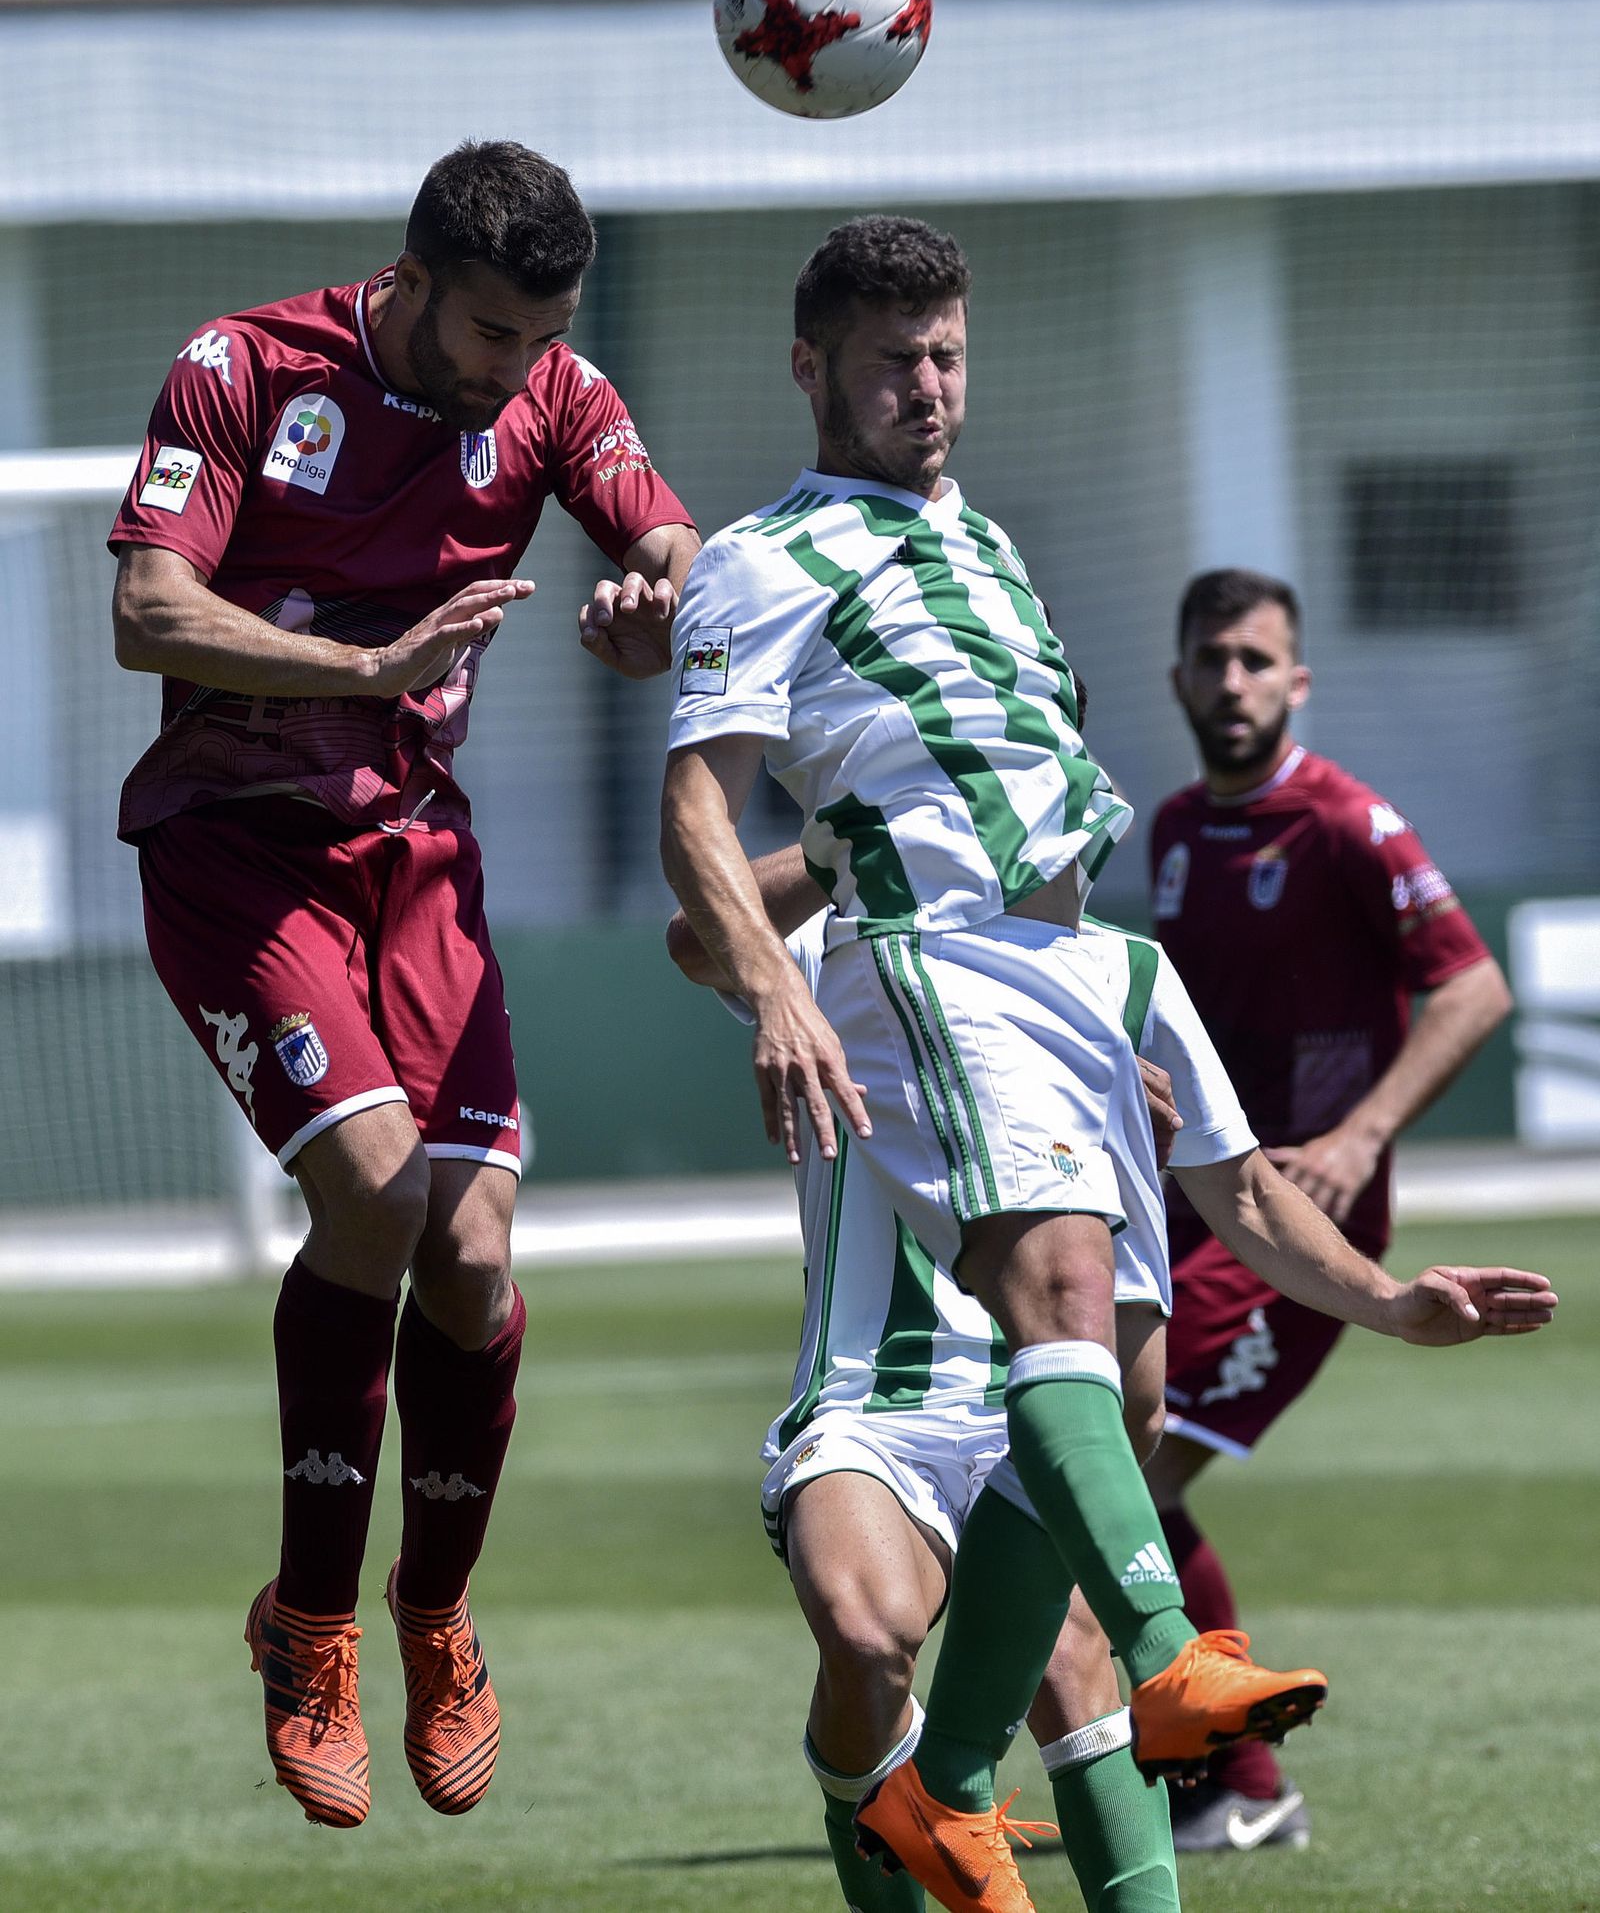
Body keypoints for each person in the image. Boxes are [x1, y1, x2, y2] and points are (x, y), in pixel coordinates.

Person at [657, 214, 1334, 1913]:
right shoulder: (767, 556)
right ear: (811, 368)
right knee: (889, 1628)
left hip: (1062, 999)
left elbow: (959, 802)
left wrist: (1083, 1022)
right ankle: (1061, 1716)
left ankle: (957, 1785)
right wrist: (781, 986)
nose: (929, 388)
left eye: (947, 353)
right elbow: (700, 836)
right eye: (892, 359)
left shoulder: (991, 548)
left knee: (1112, 1480)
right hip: (955, 1026)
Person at [108, 140, 700, 1829]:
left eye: (542, 336)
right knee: (374, 1195)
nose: (515, 367)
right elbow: (150, 609)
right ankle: (306, 1622)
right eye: (491, 331)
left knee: (476, 1246)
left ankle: (433, 1609)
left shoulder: (555, 391)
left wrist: (657, 594)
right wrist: (373, 665)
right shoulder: (244, 369)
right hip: (238, 846)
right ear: (414, 279)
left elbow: (665, 528)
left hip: (415, 861)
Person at [669, 843, 1556, 1913]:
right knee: (867, 1645)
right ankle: (949, 1785)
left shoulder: (1126, 973)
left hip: (1048, 1391)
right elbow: (695, 942)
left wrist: (1390, 1304)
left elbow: (1248, 1193)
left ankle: (1095, 1742)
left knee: (1074, 1668)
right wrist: (848, 833)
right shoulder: (834, 946)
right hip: (878, 1395)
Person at [1147, 566, 1516, 1855]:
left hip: (1296, 1235)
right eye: (1215, 660)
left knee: (1123, 1475)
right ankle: (1209, 1776)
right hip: (1186, 1207)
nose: (1235, 681)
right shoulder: (1177, 830)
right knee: (1101, 1474)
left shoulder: (1350, 822)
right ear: (1180, 678)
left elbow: (1472, 989)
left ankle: (1238, 1785)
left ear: (1296, 680)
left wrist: (1361, 1137)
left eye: (1258, 661)